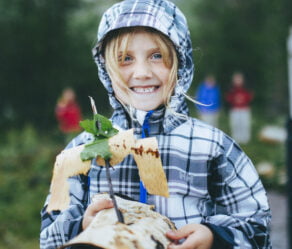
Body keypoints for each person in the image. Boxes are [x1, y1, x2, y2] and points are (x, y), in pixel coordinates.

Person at [40, 1, 271, 249]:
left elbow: (257, 227)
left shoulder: (213, 147)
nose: (142, 72)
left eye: (157, 56)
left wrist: (214, 237)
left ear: (181, 62)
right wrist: (83, 227)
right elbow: (49, 234)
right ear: (105, 69)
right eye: (125, 58)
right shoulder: (83, 149)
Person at [225, 72, 254, 144]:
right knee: (235, 124)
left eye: (239, 79)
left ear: (242, 80)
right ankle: (236, 139)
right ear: (233, 80)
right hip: (235, 109)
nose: (238, 80)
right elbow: (228, 98)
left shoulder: (246, 87)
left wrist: (242, 99)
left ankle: (245, 140)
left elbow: (250, 97)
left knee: (245, 124)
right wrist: (235, 99)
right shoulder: (231, 88)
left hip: (244, 109)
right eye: (236, 79)